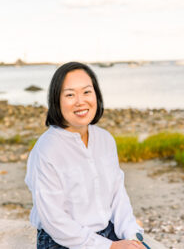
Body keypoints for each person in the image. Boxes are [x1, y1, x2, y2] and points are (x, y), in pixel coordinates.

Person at [25, 61, 146, 249]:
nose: (81, 101)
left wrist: (131, 234)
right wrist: (110, 247)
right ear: (56, 100)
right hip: (60, 241)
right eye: (70, 95)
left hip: (107, 231)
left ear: (96, 95)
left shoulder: (105, 139)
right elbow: (54, 220)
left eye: (87, 92)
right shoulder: (47, 150)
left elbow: (117, 194)